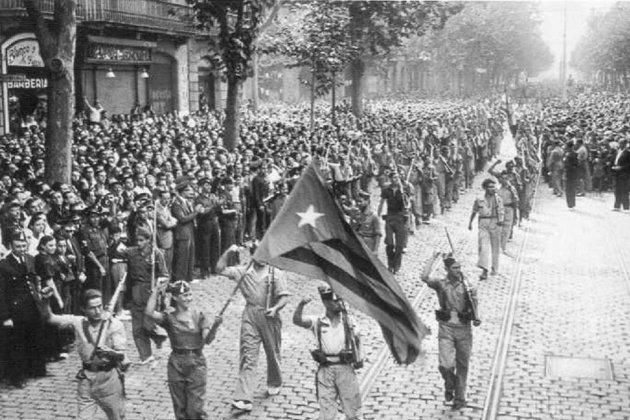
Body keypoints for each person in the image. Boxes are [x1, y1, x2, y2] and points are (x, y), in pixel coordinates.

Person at [216, 244, 290, 412]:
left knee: (272, 352)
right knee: (248, 355)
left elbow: (284, 297)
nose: (262, 258)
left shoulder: (275, 274)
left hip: (270, 316)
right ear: (252, 255)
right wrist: (227, 252)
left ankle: (274, 380)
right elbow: (219, 269)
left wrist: (276, 308)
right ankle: (244, 398)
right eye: (259, 254)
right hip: (250, 315)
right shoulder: (243, 272)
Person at [36, 288, 128, 420]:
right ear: (83, 309)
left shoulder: (114, 324)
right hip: (87, 379)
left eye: (100, 306)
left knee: (116, 416)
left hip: (109, 379)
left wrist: (111, 353)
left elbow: (121, 354)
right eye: (92, 308)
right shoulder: (77, 322)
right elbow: (50, 318)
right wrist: (46, 301)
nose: (97, 311)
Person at [145, 278, 221, 420]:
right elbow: (149, 313)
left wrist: (215, 326)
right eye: (185, 295)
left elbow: (208, 340)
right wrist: (156, 289)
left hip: (196, 363)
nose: (189, 298)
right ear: (175, 297)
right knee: (179, 407)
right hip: (176, 363)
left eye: (189, 294)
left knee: (195, 409)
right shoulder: (169, 317)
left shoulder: (199, 315)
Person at [292, 285, 362, 420]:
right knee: (326, 413)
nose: (338, 304)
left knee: (353, 411)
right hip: (326, 371)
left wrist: (359, 357)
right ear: (326, 303)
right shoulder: (318, 322)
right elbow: (297, 320)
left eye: (339, 300)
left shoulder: (349, 322)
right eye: (334, 301)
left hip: (345, 370)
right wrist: (301, 305)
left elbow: (358, 340)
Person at [421, 251, 477, 411]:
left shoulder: (467, 285)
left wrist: (475, 313)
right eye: (454, 267)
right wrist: (432, 258)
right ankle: (449, 383)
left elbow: (475, 306)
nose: (458, 270)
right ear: (447, 269)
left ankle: (459, 398)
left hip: (464, 329)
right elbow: (424, 277)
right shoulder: (441, 283)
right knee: (445, 365)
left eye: (459, 267)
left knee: (462, 364)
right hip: (446, 328)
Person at [0, 230, 47, 387]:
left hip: (32, 305)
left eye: (23, 246)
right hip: (16, 309)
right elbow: (2, 293)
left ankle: (34, 369)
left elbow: (33, 280)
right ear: (10, 246)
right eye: (18, 246)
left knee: (34, 338)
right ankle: (17, 377)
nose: (21, 249)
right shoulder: (4, 265)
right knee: (17, 344)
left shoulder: (30, 259)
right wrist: (6, 316)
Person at [117, 228, 168, 363]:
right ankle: (145, 355)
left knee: (147, 324)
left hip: (151, 292)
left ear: (148, 240)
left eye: (142, 240)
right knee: (137, 327)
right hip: (136, 291)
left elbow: (164, 275)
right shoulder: (132, 252)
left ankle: (157, 336)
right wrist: (118, 242)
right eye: (137, 240)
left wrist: (159, 288)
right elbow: (118, 251)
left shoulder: (156, 254)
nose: (139, 243)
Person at [468, 178, 504, 280]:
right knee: (483, 247)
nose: (492, 189)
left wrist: (501, 223)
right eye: (490, 187)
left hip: (495, 223)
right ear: (485, 188)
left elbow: (502, 212)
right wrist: (470, 223)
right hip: (483, 223)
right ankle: (484, 270)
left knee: (495, 248)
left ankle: (495, 268)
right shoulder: (479, 200)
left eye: (494, 187)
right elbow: (474, 211)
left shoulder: (498, 199)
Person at [377, 171, 409, 274]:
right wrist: (378, 214)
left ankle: (397, 266)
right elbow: (381, 202)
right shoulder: (386, 189)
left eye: (398, 177)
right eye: (394, 177)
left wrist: (406, 202)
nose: (396, 179)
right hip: (390, 217)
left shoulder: (403, 189)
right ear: (390, 179)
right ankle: (390, 264)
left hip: (400, 217)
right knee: (389, 243)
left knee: (399, 245)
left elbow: (408, 204)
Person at [611, 139, 630, 211]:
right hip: (616, 172)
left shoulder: (628, 153)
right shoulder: (616, 152)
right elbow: (613, 160)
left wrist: (621, 168)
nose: (620, 144)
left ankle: (626, 206)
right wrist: (613, 166)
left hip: (623, 173)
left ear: (625, 144)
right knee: (616, 190)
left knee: (624, 190)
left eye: (622, 143)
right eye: (619, 143)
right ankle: (617, 206)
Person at [563, 141, 580, 210]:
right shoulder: (575, 154)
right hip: (574, 173)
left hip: (568, 174)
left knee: (568, 190)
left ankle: (570, 205)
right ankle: (573, 204)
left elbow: (567, 165)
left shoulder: (568, 155)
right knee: (572, 189)